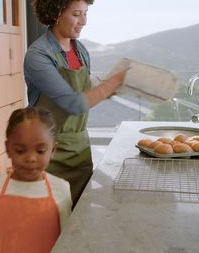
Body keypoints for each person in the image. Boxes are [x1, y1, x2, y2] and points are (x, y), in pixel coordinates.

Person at [24, 0, 128, 206]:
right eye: (77, 14)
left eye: (85, 14)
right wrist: (113, 82)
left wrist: (123, 85)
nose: (84, 21)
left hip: (79, 151)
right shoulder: (38, 55)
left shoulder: (80, 51)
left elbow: (86, 93)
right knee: (50, 226)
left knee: (80, 221)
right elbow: (74, 103)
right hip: (47, 155)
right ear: (56, 13)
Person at [0, 107, 72, 253]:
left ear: (52, 150)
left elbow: (67, 243)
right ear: (8, 148)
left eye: (40, 151)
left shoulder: (61, 189)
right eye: (20, 150)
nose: (30, 158)